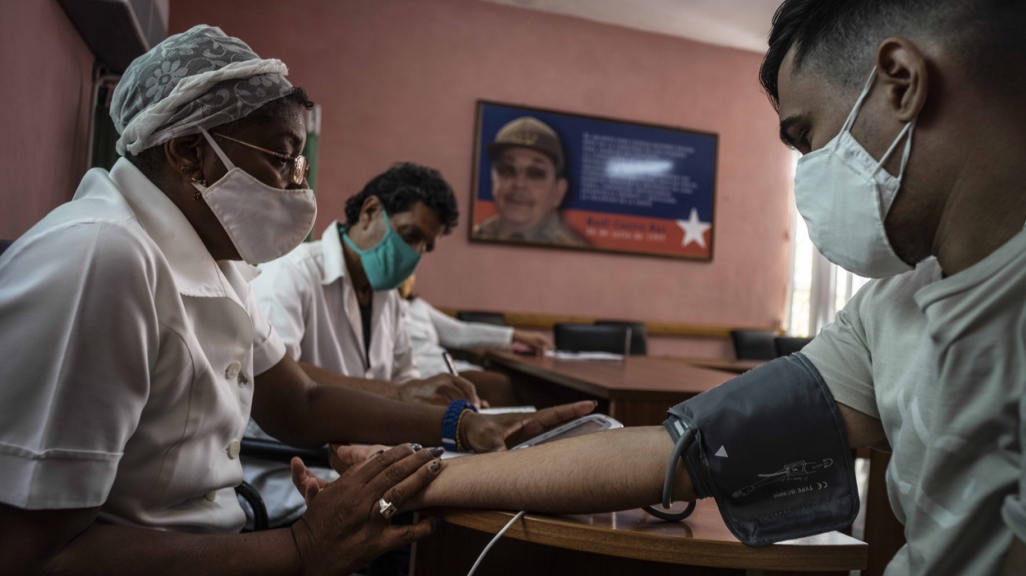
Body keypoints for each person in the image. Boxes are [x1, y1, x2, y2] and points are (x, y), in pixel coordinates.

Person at [312, 1, 1026, 573]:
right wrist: (416, 475)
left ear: (899, 81)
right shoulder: (887, 312)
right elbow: (681, 449)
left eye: (806, 137)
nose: (806, 174)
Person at [0, 25, 593, 575]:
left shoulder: (216, 257)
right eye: (282, 158)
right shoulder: (104, 259)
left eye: (299, 161)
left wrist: (464, 427)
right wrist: (302, 548)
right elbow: (35, 553)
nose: (298, 185)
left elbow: (299, 400)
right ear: (188, 152)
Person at [243, 163, 479, 528]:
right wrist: (406, 395)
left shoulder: (389, 299)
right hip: (292, 471)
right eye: (410, 234)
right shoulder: (291, 272)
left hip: (364, 467)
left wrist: (437, 401)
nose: (415, 253)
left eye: (425, 246)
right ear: (370, 212)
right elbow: (276, 377)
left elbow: (406, 379)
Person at [397, 274, 553, 406]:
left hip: (450, 367)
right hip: (422, 375)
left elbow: (460, 332)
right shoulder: (381, 307)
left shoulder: (417, 306)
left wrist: (517, 335)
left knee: (525, 386)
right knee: (502, 385)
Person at [473, 116, 587, 246]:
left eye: (536, 173)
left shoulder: (574, 253)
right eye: (508, 169)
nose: (519, 184)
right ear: (493, 180)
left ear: (559, 191)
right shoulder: (475, 235)